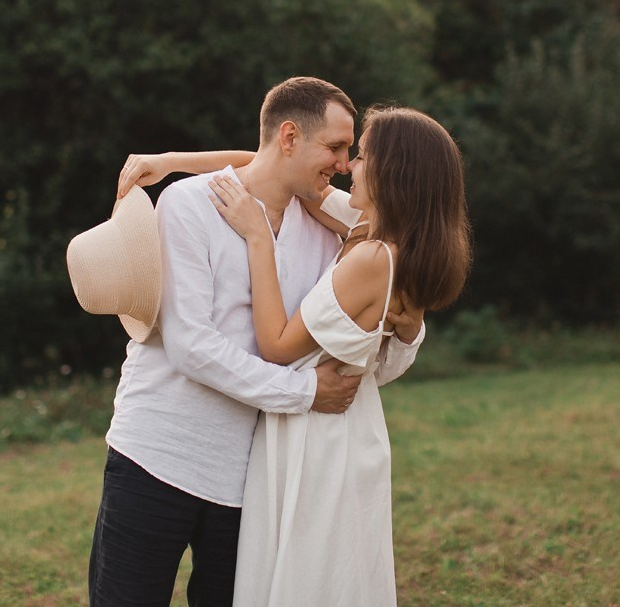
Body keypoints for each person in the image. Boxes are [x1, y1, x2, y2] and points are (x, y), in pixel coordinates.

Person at [87, 78, 428, 606]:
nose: (344, 163)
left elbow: (352, 354)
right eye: (336, 148)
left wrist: (406, 331)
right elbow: (191, 346)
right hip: (157, 455)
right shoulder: (189, 204)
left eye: (350, 152)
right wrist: (305, 393)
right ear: (290, 136)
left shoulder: (328, 231)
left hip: (251, 479)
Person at [203, 105, 471, 606]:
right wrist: (170, 162)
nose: (348, 166)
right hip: (343, 429)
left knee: (313, 578)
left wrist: (258, 235)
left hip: (319, 438)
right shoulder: (374, 232)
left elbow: (277, 346)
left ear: (395, 174)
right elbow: (273, 168)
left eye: (363, 156)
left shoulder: (372, 257)